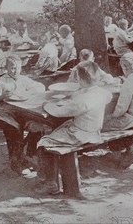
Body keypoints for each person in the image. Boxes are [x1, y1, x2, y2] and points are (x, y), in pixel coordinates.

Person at [35, 61, 113, 195]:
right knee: (58, 130)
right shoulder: (102, 92)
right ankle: (54, 176)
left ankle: (50, 183)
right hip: (94, 130)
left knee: (44, 142)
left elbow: (58, 112)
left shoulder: (83, 100)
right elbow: (107, 97)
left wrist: (46, 105)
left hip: (81, 134)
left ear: (81, 79)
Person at [0, 56, 45, 174]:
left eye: (18, 68)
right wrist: (1, 97)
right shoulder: (0, 82)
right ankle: (16, 163)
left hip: (21, 113)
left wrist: (28, 92)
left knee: (39, 126)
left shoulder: (23, 79)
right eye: (12, 68)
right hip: (3, 114)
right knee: (15, 131)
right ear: (6, 68)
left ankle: (28, 155)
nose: (15, 70)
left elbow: (41, 87)